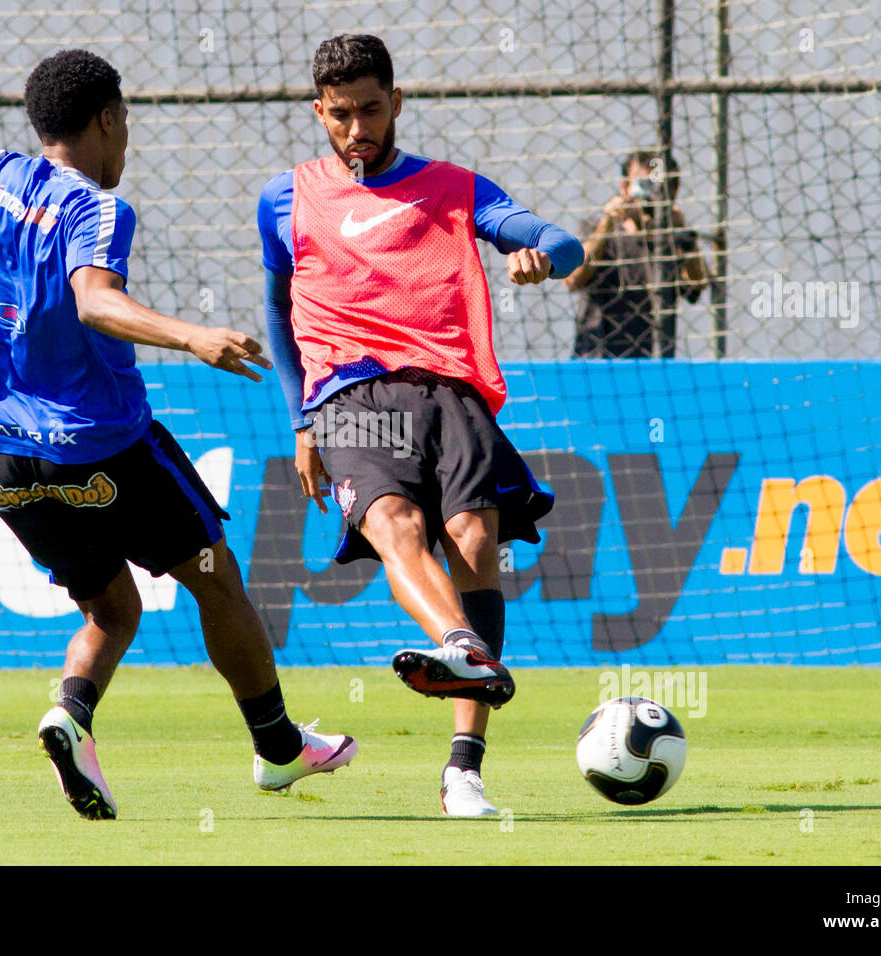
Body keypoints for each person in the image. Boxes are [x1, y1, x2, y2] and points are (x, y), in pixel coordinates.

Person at [0, 49, 355, 820]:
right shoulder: (98, 209)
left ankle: (71, 715)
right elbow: (94, 301)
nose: (128, 142)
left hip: (5, 456)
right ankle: (279, 748)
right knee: (215, 578)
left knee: (111, 610)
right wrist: (193, 338)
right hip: (105, 446)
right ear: (108, 119)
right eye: (127, 125)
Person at [257, 34, 582, 817]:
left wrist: (538, 253)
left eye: (371, 109)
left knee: (473, 541)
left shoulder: (453, 187)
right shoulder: (285, 196)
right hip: (347, 393)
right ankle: (464, 647)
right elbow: (277, 305)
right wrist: (301, 418)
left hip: (450, 390)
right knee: (395, 524)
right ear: (319, 113)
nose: (357, 127)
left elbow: (560, 241)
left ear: (396, 103)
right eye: (341, 115)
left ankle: (463, 768)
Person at [565, 149, 709, 357]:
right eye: (645, 185)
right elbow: (572, 279)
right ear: (625, 188)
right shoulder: (596, 229)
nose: (652, 195)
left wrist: (684, 237)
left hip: (653, 358)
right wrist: (607, 224)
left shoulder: (672, 240)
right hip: (597, 357)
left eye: (661, 187)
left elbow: (696, 284)